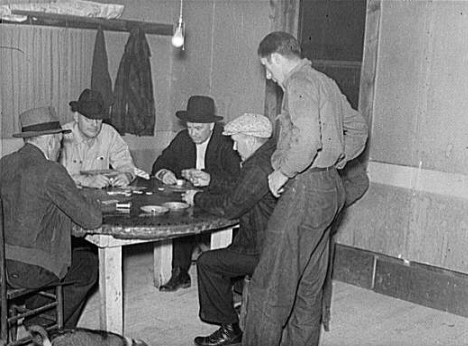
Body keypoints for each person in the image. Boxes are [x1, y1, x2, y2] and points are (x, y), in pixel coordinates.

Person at [242, 32, 369, 346]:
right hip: (328, 191)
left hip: (305, 190)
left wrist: (283, 172)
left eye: (267, 68)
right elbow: (358, 128)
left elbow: (308, 139)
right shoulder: (325, 82)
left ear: (275, 58)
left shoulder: (298, 83)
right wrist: (335, 160)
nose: (269, 77)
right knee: (307, 287)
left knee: (269, 286)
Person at [0, 106, 102, 328]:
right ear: (50, 140)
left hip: (3, 263)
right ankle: (46, 328)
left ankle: (36, 314)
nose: (59, 147)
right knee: (89, 265)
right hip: (28, 270)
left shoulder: (3, 164)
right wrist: (93, 200)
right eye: (59, 141)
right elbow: (91, 220)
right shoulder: (51, 170)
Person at [181, 113, 277, 346]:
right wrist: (210, 181)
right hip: (263, 241)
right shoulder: (266, 157)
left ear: (252, 139)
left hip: (263, 251)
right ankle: (238, 309)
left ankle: (228, 328)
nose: (234, 147)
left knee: (208, 263)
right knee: (225, 256)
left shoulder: (257, 167)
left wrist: (198, 198)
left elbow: (230, 207)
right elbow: (239, 188)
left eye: (237, 141)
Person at [151, 95, 241, 292]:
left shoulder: (226, 142)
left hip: (218, 198)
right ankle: (179, 272)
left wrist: (209, 179)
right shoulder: (183, 138)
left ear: (211, 125)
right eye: (189, 127)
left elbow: (238, 182)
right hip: (188, 198)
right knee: (179, 215)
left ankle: (227, 278)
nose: (192, 133)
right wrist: (164, 172)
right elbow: (159, 163)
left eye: (198, 128)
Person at [60, 89, 138, 189]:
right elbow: (51, 178)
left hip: (100, 198)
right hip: (68, 198)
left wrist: (126, 176)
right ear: (76, 116)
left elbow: (126, 164)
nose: (94, 124)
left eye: (98, 119)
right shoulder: (62, 136)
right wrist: (85, 181)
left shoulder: (109, 133)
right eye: (88, 119)